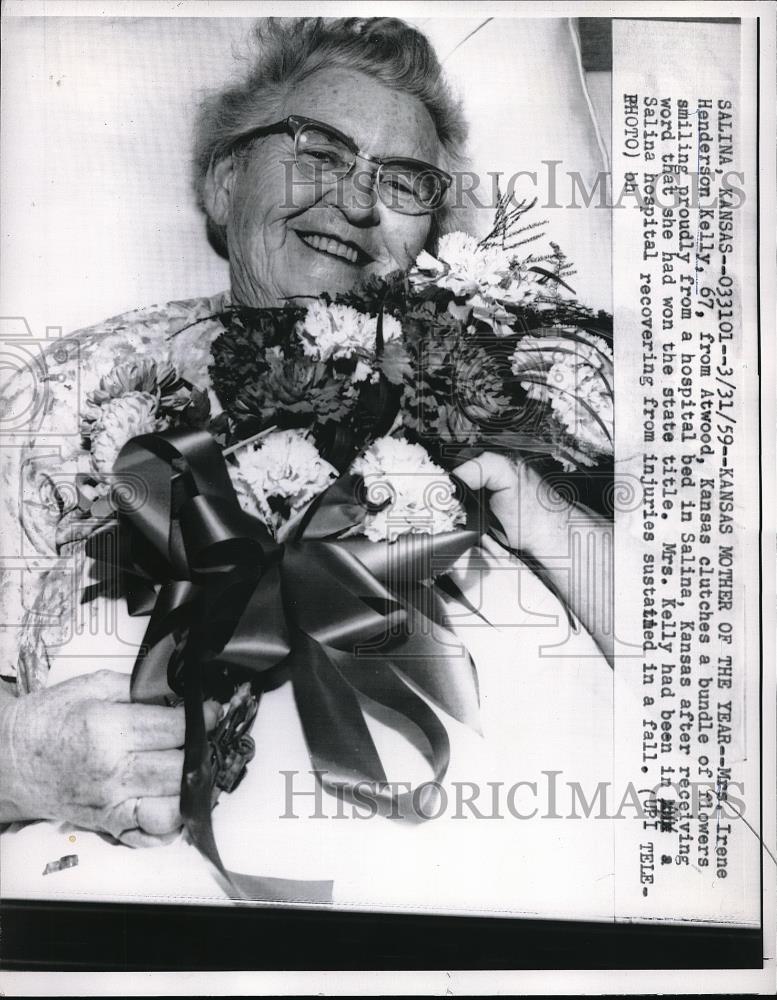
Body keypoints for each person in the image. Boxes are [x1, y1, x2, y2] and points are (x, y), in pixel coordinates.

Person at [0, 17, 612, 853]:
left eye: (404, 182)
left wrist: (545, 515)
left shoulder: (518, 376)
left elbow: (710, 663)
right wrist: (21, 764)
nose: (357, 202)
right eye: (317, 152)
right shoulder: (64, 399)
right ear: (225, 182)